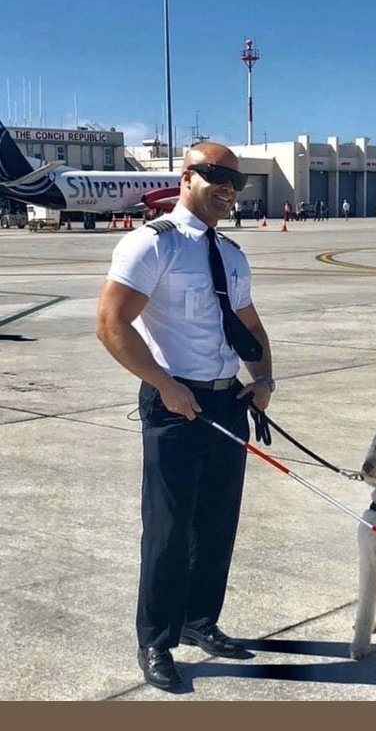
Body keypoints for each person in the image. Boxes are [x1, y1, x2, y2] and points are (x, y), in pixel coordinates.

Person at [96, 141, 274, 691]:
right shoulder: (152, 245)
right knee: (169, 530)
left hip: (227, 401)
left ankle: (201, 622)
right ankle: (156, 640)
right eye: (215, 174)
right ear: (186, 175)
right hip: (176, 406)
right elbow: (110, 324)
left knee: (217, 523)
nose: (226, 186)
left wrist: (264, 377)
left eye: (235, 180)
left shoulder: (233, 252)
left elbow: (248, 323)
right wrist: (164, 386)